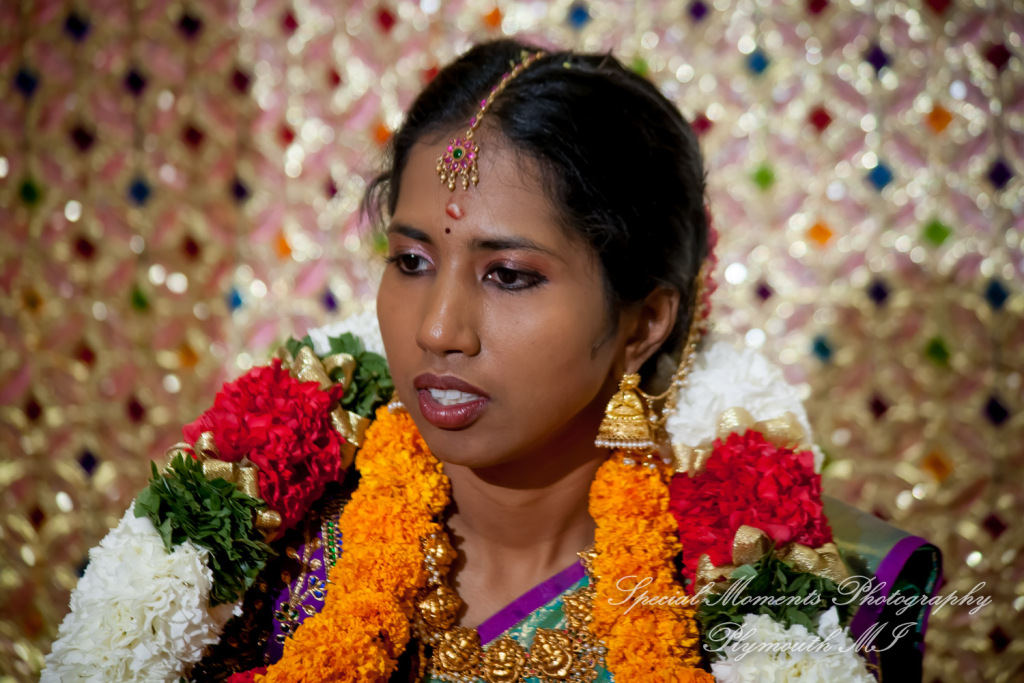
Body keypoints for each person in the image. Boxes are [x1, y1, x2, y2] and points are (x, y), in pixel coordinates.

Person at [46, 38, 939, 683]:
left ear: (643, 323)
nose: (438, 327)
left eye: (509, 274)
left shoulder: (776, 589)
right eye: (411, 262)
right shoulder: (266, 538)